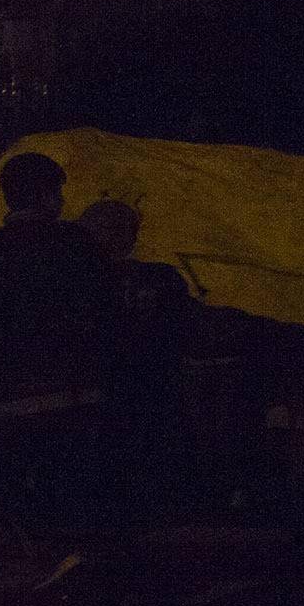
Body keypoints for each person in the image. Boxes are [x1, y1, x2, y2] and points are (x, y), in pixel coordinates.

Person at [0, 151, 119, 584]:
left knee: (21, 479)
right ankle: (66, 558)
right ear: (47, 195)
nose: (63, 201)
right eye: (59, 192)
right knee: (66, 478)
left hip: (11, 395)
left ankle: (36, 558)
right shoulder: (76, 245)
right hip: (72, 389)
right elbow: (104, 310)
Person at [79, 198, 192, 527]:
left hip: (107, 389)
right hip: (151, 388)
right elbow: (183, 331)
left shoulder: (82, 283)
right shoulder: (164, 278)